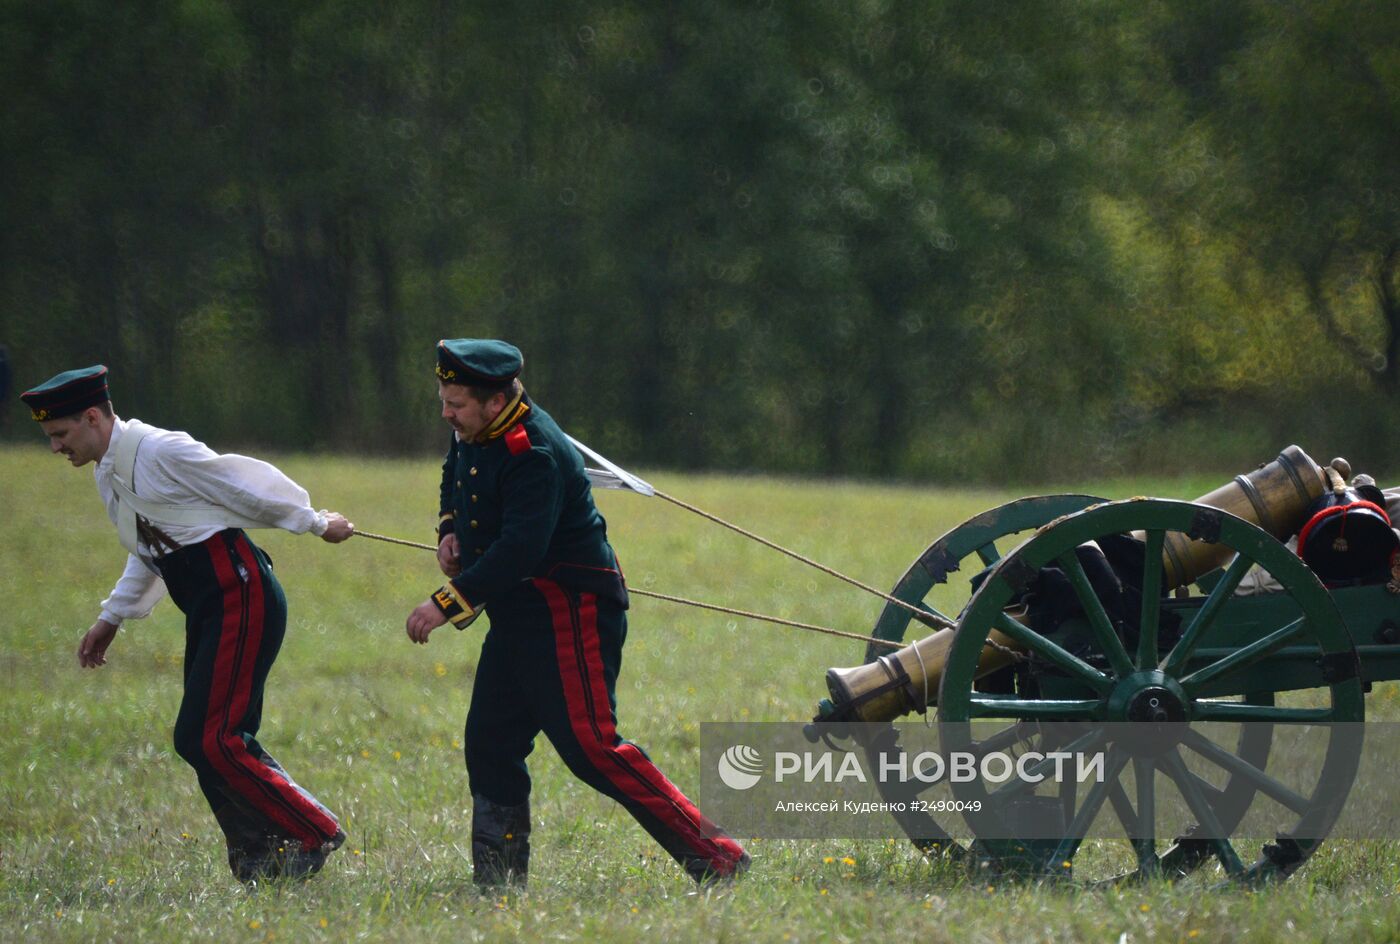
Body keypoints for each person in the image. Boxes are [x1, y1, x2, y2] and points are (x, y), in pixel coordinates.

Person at [404, 339, 749, 887]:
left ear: (495, 402)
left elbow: (522, 548)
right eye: (443, 400)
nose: (446, 414)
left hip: (569, 608)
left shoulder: (532, 452)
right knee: (490, 741)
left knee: (592, 748)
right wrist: (448, 528)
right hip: (520, 608)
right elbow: (458, 468)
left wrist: (446, 602)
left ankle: (719, 855)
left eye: (456, 404)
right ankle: (499, 884)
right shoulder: (477, 428)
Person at [21, 365, 354, 883]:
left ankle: (311, 831)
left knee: (214, 737)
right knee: (200, 738)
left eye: (60, 434)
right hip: (208, 603)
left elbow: (241, 482)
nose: (55, 447)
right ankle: (262, 857)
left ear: (92, 417)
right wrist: (113, 616)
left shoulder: (160, 450)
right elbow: (149, 546)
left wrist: (314, 522)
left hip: (240, 593)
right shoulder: (107, 470)